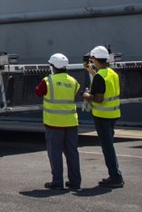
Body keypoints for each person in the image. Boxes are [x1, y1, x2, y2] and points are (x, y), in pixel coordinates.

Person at [34, 53, 81, 190]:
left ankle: (57, 181)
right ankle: (75, 182)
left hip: (54, 123)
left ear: (52, 66)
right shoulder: (74, 81)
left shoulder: (47, 81)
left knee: (55, 153)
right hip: (71, 122)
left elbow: (38, 92)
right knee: (72, 152)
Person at [83, 45, 124, 188]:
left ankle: (115, 176)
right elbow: (103, 83)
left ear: (94, 59)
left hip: (102, 116)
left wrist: (87, 95)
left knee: (107, 147)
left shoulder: (100, 77)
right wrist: (91, 71)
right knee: (109, 145)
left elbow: (99, 98)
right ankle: (115, 175)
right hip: (113, 114)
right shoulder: (112, 73)